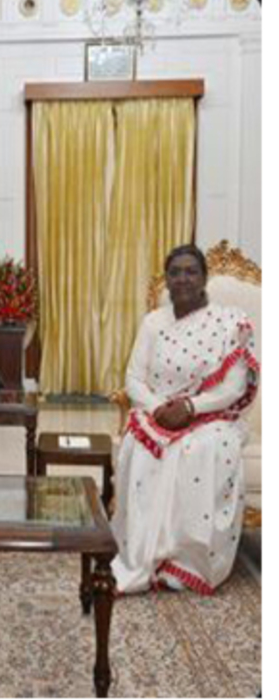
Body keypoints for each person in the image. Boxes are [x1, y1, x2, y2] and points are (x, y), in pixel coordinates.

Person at [112, 244, 259, 595]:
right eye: (175, 272)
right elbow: (134, 378)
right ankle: (147, 554)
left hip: (211, 415)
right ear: (167, 280)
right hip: (159, 411)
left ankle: (187, 561)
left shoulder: (228, 322)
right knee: (143, 444)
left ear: (204, 278)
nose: (182, 278)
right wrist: (159, 408)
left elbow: (233, 386)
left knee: (205, 446)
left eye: (191, 271)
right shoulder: (153, 322)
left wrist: (190, 408)